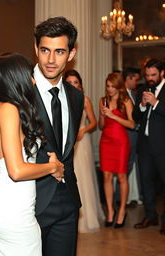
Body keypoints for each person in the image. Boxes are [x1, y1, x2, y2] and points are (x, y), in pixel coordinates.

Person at [0, 53, 64, 256]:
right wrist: (53, 167)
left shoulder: (2, 107)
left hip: (4, 203)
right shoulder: (9, 109)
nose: (32, 79)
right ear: (15, 77)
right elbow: (17, 170)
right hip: (10, 208)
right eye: (29, 74)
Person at [33, 17, 84, 256]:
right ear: (36, 49)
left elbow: (67, 149)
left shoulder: (76, 96)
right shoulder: (20, 92)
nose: (51, 60)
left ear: (71, 53)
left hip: (68, 201)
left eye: (59, 51)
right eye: (45, 50)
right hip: (30, 203)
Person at [64, 69, 104, 233]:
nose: (73, 85)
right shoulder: (61, 99)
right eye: (70, 82)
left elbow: (94, 122)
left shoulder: (84, 100)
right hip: (67, 142)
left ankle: (87, 218)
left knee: (83, 178)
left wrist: (83, 130)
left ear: (80, 84)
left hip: (81, 141)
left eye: (76, 82)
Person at [133, 59, 165, 235]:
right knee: (146, 183)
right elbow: (135, 116)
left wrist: (156, 103)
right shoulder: (143, 90)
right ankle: (150, 215)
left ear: (162, 73)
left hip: (162, 146)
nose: (150, 78)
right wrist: (143, 106)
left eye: (153, 75)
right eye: (147, 75)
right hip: (144, 145)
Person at [99, 72, 135, 229]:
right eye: (108, 86)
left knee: (121, 177)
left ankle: (122, 211)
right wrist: (102, 115)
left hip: (120, 142)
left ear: (119, 86)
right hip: (106, 141)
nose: (110, 89)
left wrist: (113, 117)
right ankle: (110, 212)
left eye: (113, 86)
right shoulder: (103, 101)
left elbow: (132, 125)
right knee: (106, 176)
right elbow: (101, 126)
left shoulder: (125, 100)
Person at [122, 67, 142, 206]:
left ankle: (131, 196)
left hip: (135, 137)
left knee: (131, 167)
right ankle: (121, 198)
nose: (137, 82)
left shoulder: (133, 95)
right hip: (126, 137)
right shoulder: (122, 96)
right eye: (135, 79)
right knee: (124, 169)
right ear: (128, 78)